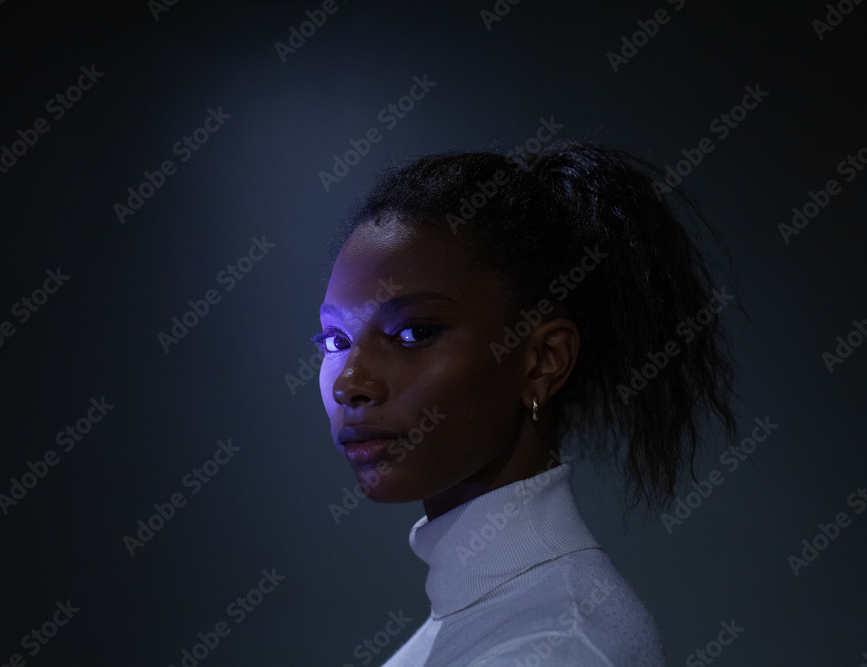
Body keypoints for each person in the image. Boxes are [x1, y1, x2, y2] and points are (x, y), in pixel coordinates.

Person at [313, 141, 737, 666]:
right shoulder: (475, 626)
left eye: (413, 332)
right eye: (334, 340)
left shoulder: (556, 649)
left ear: (543, 359)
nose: (349, 382)